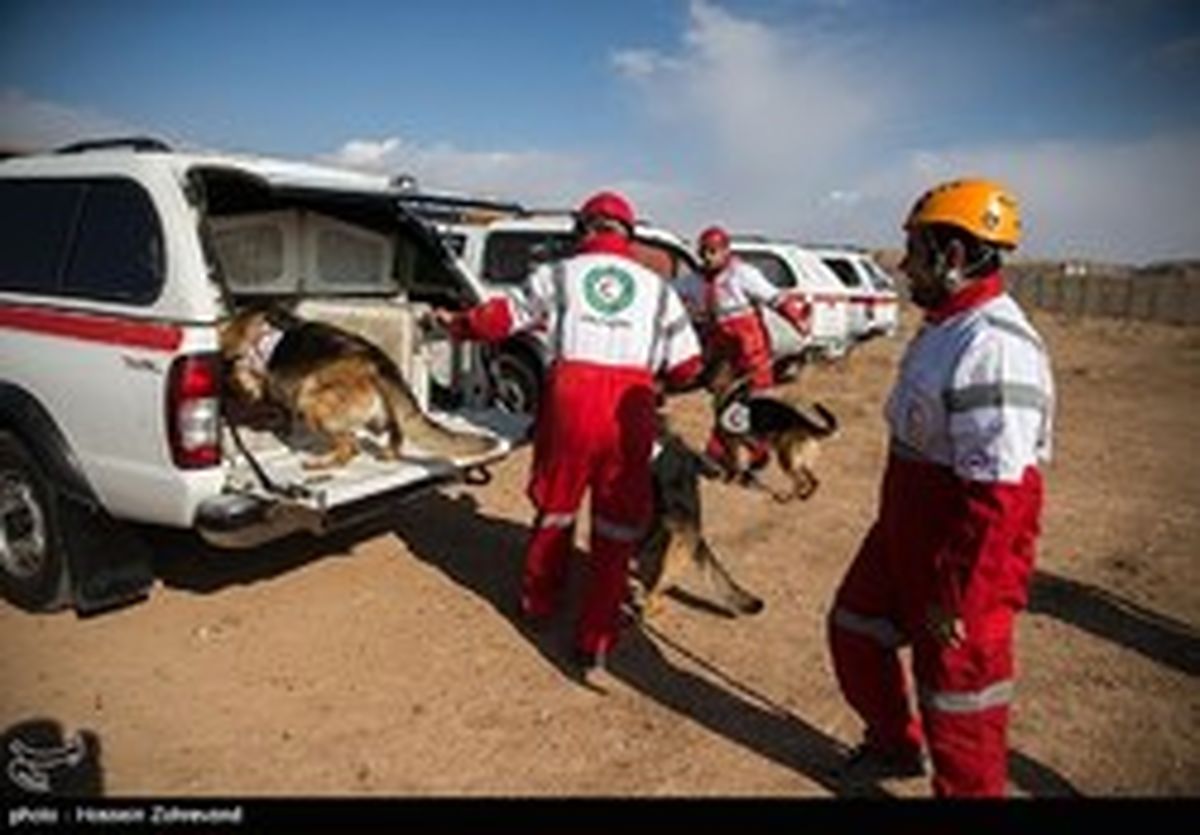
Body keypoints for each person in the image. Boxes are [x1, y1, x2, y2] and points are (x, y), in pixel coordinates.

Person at [826, 178, 1055, 796]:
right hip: (907, 530)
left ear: (952, 256)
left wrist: (958, 596)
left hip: (964, 551)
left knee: (959, 707)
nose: (903, 265)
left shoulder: (994, 348)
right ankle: (895, 745)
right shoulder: (946, 326)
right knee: (855, 627)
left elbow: (1001, 496)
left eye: (914, 249)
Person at [432, 190, 703, 674]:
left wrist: (454, 325)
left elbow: (499, 319)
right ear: (629, 234)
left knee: (556, 508)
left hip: (570, 399)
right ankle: (595, 636)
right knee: (617, 525)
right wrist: (649, 378)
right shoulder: (658, 288)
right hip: (629, 410)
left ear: (585, 228)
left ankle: (538, 603)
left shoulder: (556, 274)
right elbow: (687, 367)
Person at [673, 225, 811, 473]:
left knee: (756, 404)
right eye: (703, 251)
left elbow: (775, 298)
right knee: (724, 403)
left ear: (726, 251)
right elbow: (671, 295)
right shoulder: (693, 281)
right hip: (721, 352)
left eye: (713, 251)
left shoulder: (743, 274)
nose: (707, 257)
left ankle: (755, 455)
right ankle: (720, 454)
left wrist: (798, 319)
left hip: (751, 349)